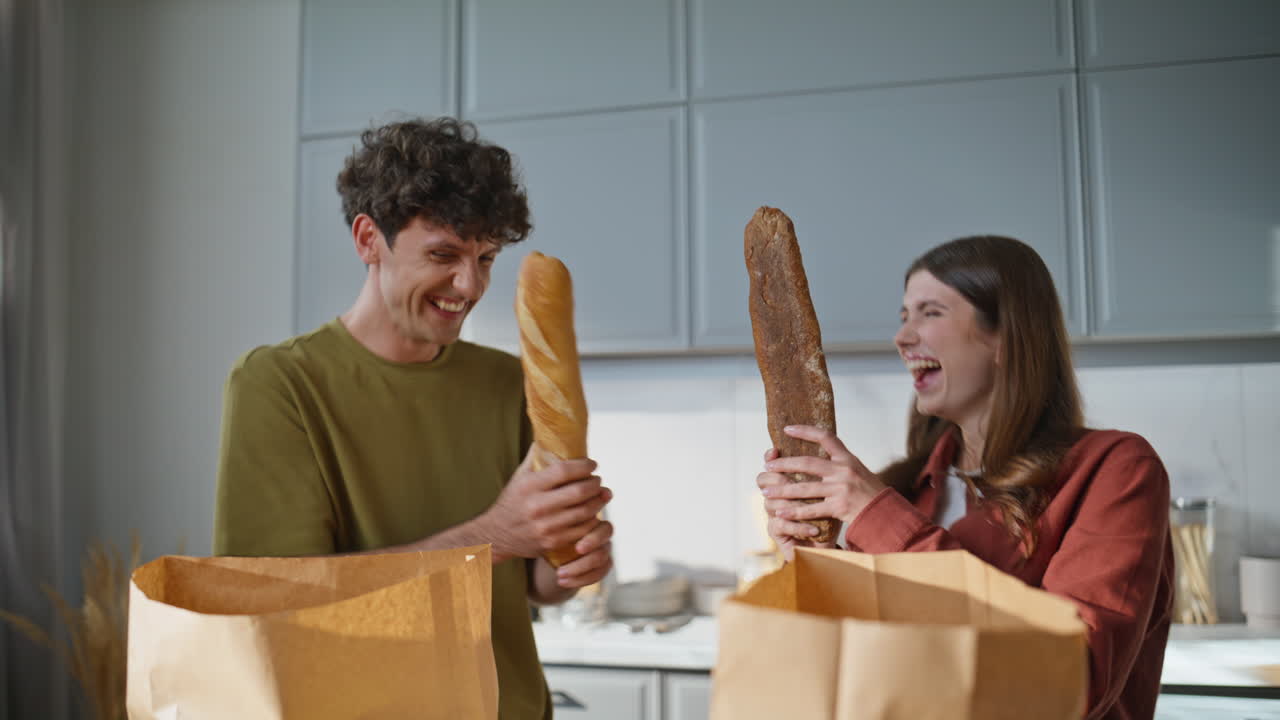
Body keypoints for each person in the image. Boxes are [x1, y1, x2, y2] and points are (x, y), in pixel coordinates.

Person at [213, 117, 613, 720]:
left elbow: (530, 584)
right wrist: (496, 535)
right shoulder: (280, 384)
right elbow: (276, 607)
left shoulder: (510, 383)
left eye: (485, 256)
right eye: (444, 254)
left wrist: (570, 566)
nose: (469, 284)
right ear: (368, 239)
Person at [757, 236, 1172, 720]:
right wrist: (813, 563)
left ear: (1006, 337)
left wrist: (879, 519)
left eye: (930, 313)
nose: (902, 337)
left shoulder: (1115, 469)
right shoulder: (907, 489)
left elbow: (1068, 680)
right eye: (904, 316)